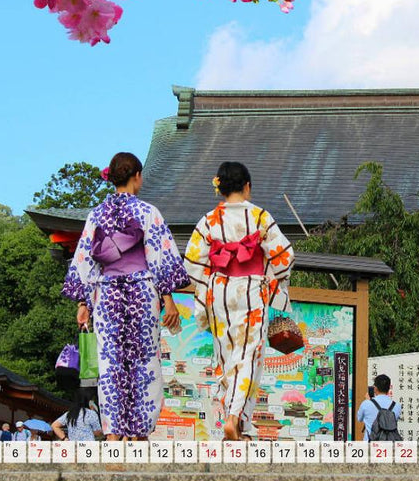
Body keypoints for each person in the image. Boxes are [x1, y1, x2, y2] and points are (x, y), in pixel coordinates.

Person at [63, 151, 189, 441]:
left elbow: (85, 260)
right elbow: (159, 257)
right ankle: (139, 432)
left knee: (111, 363)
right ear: (137, 176)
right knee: (144, 361)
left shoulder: (96, 215)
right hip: (142, 293)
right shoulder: (147, 212)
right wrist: (168, 299)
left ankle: (113, 433)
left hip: (106, 295)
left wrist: (84, 303)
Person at [183, 161, 295, 441]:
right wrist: (269, 280)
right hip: (251, 290)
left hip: (219, 292)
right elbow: (284, 257)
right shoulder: (258, 217)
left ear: (219, 187)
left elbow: (193, 262)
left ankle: (236, 423)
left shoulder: (208, 220)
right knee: (249, 356)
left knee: (227, 356)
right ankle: (234, 419)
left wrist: (206, 290)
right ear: (247, 187)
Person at [357, 374, 403, 441]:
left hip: (369, 444)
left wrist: (368, 401)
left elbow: (359, 419)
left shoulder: (366, 404)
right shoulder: (396, 406)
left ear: (375, 388)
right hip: (388, 444)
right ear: (389, 388)